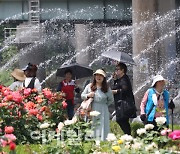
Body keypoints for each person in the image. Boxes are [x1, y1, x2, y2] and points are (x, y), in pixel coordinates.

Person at [81, 69, 114, 141]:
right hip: (91, 109)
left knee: (101, 125)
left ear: (104, 78)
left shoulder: (106, 88)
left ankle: (101, 142)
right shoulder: (89, 86)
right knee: (92, 125)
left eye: (101, 75)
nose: (98, 77)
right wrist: (88, 95)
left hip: (103, 110)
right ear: (94, 76)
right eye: (97, 75)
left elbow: (111, 99)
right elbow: (82, 95)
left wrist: (104, 105)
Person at [112, 62, 136, 135]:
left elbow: (125, 90)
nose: (116, 71)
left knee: (121, 120)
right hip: (121, 104)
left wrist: (116, 91)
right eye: (116, 69)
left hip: (125, 104)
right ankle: (128, 135)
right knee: (122, 120)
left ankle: (128, 136)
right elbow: (118, 86)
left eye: (118, 69)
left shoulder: (124, 79)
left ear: (123, 70)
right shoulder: (121, 79)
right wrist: (115, 80)